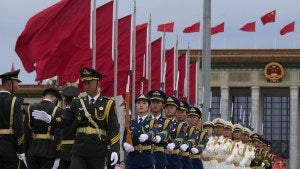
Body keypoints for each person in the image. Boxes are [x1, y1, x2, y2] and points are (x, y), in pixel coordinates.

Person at [32, 67, 120, 169]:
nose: (86, 86)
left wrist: (114, 149)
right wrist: (49, 119)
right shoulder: (77, 102)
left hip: (97, 149)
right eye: (85, 83)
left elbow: (114, 129)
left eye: (89, 82)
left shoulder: (108, 103)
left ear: (98, 83)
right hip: (79, 149)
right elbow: (64, 121)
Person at [24, 88, 63, 169]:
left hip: (32, 149)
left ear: (44, 96)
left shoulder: (31, 107)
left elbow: (27, 130)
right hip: (48, 151)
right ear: (54, 98)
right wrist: (57, 152)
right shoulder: (57, 110)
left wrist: (27, 149)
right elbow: (58, 133)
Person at [122, 94, 155, 169]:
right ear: (135, 106)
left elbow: (155, 132)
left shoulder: (152, 122)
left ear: (148, 106)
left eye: (144, 103)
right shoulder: (131, 123)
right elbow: (124, 140)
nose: (141, 105)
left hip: (147, 159)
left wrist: (148, 135)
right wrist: (125, 145)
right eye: (138, 103)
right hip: (132, 160)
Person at [0, 69, 25, 169]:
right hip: (8, 146)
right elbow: (19, 128)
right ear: (10, 84)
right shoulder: (15, 101)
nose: (18, 86)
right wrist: (20, 150)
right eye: (17, 83)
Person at [57, 86, 80, 169]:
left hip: (63, 150)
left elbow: (57, 132)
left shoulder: (59, 114)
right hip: (77, 149)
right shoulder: (79, 115)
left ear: (65, 101)